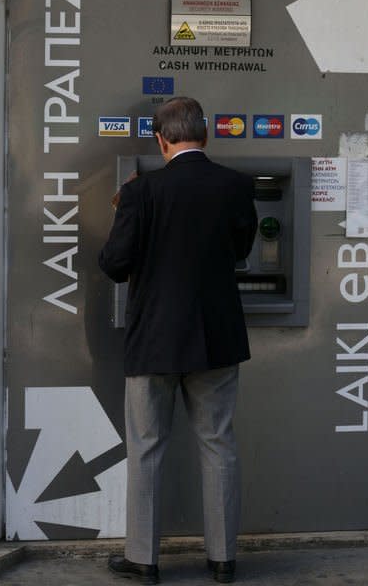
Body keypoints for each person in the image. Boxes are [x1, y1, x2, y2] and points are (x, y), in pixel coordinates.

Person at [99, 97, 257, 585]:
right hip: (216, 340)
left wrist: (123, 210)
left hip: (155, 341)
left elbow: (114, 264)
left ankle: (144, 561)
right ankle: (223, 560)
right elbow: (243, 249)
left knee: (146, 448)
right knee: (218, 445)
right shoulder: (233, 185)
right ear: (204, 136)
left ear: (161, 140)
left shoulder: (141, 191)